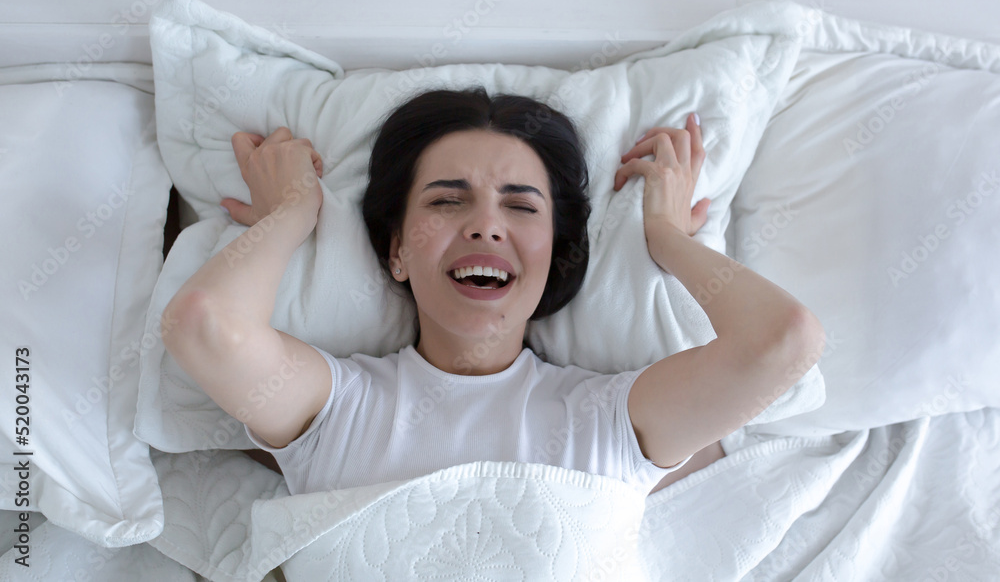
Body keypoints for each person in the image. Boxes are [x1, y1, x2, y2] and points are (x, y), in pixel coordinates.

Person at [162, 86, 824, 498]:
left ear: (557, 254)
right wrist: (293, 213)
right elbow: (204, 324)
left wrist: (666, 234)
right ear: (396, 250)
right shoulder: (337, 408)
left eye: (522, 206)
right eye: (449, 200)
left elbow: (785, 341)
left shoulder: (611, 421)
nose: (484, 223)